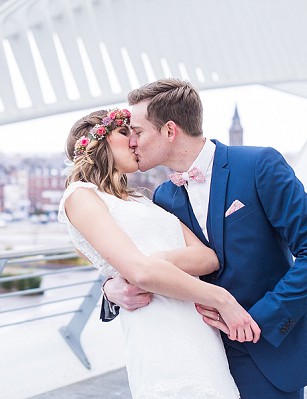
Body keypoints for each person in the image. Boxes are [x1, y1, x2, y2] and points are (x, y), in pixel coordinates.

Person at [103, 78, 307, 398]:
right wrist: (111, 290)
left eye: (138, 131)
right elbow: (142, 263)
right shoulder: (163, 196)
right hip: (195, 358)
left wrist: (258, 320)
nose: (131, 141)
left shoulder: (260, 166)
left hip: (263, 352)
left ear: (170, 130)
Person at [59, 108, 248, 398]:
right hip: (159, 333)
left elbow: (207, 258)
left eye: (135, 132)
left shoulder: (145, 200)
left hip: (199, 331)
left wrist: (150, 264)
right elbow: (139, 272)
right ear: (96, 144)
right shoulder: (81, 195)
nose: (134, 140)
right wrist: (221, 299)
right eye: (124, 133)